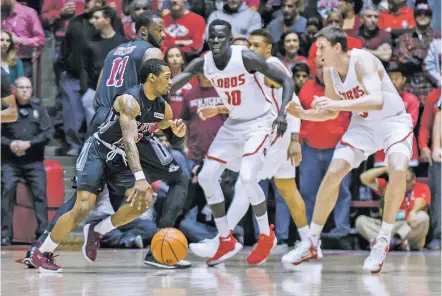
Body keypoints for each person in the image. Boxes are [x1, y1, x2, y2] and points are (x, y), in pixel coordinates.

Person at [23, 11, 190, 270]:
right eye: (160, 28)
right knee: (176, 177)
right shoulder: (152, 54)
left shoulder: (116, 50)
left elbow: (101, 82)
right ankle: (157, 249)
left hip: (104, 115)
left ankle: (48, 244)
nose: (164, 33)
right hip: (124, 118)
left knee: (89, 198)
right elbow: (149, 90)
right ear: (145, 31)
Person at [285, 26, 413, 273]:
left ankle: (383, 239)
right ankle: (311, 241)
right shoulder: (331, 71)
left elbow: (376, 101)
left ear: (336, 48)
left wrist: (336, 103)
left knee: (397, 168)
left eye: (321, 47)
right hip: (363, 125)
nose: (317, 52)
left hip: (392, 122)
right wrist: (305, 114)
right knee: (333, 173)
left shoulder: (363, 59)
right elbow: (332, 111)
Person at [189, 28, 323, 260]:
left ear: (268, 48)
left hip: (276, 135)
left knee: (245, 182)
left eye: (256, 45)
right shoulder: (250, 67)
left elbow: (292, 100)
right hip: (271, 133)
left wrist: (294, 139)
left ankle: (222, 240)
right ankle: (310, 243)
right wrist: (220, 108)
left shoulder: (272, 65)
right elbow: (246, 102)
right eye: (249, 45)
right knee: (287, 189)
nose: (250, 49)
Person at [171, 19, 294, 266]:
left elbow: (286, 80)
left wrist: (282, 113)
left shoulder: (246, 57)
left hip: (260, 122)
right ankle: (225, 238)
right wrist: (150, 91)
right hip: (233, 123)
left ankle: (266, 235)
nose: (215, 41)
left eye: (220, 37)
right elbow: (177, 81)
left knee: (248, 178)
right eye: (212, 37)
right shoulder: (203, 62)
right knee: (206, 177)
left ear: (229, 38)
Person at [1, 77, 54, 246]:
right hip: (10, 161)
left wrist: (29, 144)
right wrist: (11, 144)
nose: (25, 90)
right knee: (7, 191)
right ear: (14, 90)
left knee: (40, 193)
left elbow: (47, 134)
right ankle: (5, 235)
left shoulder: (40, 110)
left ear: (32, 90)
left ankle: (43, 233)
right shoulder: (6, 109)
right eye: (21, 87)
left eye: (28, 88)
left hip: (34, 161)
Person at [356, 167, 431, 251]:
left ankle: (393, 241)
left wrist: (413, 212)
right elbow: (364, 178)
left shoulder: (421, 187)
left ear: (413, 179)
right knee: (360, 221)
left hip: (408, 228)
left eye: (405, 180)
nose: (402, 184)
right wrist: (385, 169)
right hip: (388, 227)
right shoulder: (389, 187)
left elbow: (421, 201)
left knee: (423, 217)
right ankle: (393, 243)